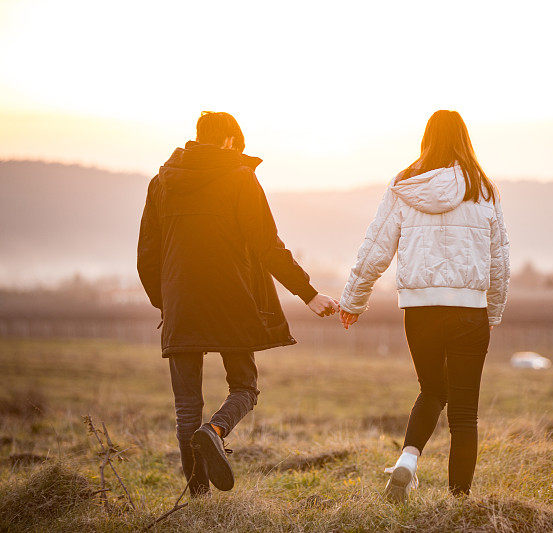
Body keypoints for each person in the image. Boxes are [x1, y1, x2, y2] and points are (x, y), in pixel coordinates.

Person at [137, 111, 338, 496]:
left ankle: (197, 499)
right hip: (232, 300)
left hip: (181, 303)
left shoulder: (160, 183)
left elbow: (147, 255)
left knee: (185, 408)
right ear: (230, 141)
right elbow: (267, 246)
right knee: (245, 386)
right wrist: (308, 294)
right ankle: (214, 430)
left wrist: (166, 303)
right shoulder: (240, 177)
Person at [338, 110, 510, 501]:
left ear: (426, 140)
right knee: (464, 413)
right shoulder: (484, 190)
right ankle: (458, 503)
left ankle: (408, 462)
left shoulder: (404, 186)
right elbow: (499, 260)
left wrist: (352, 300)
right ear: (464, 140)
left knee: (432, 389)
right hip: (469, 311)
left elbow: (376, 249)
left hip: (419, 311)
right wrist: (493, 311)